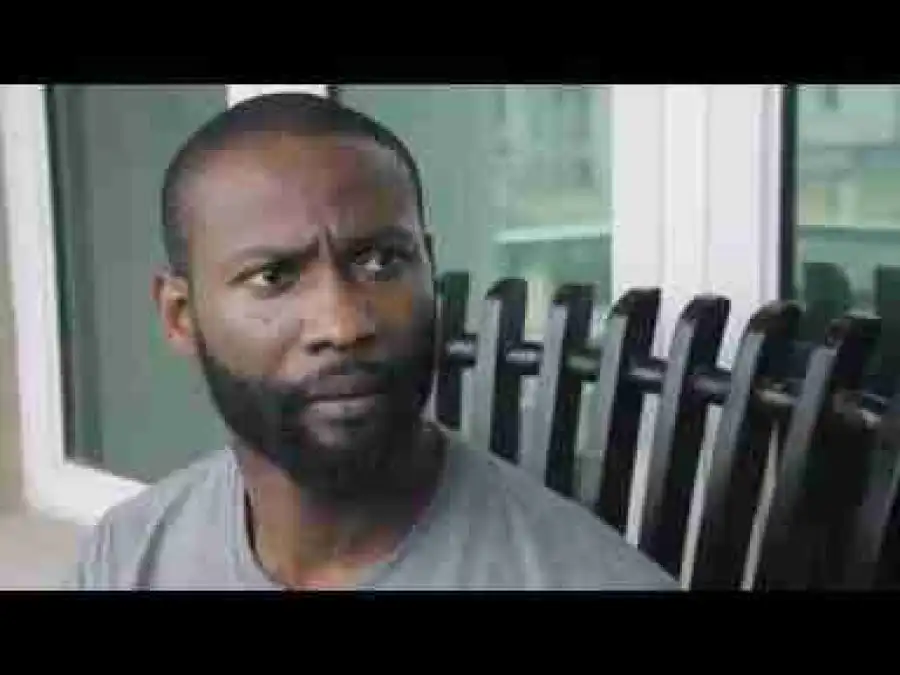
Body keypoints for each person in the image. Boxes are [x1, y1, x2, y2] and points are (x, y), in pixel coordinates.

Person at [63, 92, 678, 591]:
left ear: (429, 268)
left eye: (382, 261)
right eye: (274, 277)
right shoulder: (130, 557)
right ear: (181, 316)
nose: (343, 324)